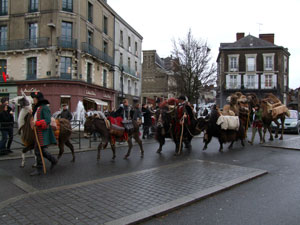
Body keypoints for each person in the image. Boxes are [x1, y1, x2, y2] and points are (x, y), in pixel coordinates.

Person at [29, 92, 58, 176]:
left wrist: (37, 123)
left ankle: (39, 169)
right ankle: (53, 160)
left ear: (38, 99)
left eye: (34, 98)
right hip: (38, 132)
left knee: (38, 151)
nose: (33, 100)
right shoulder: (38, 108)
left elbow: (47, 120)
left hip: (42, 133)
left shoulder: (44, 108)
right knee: (40, 150)